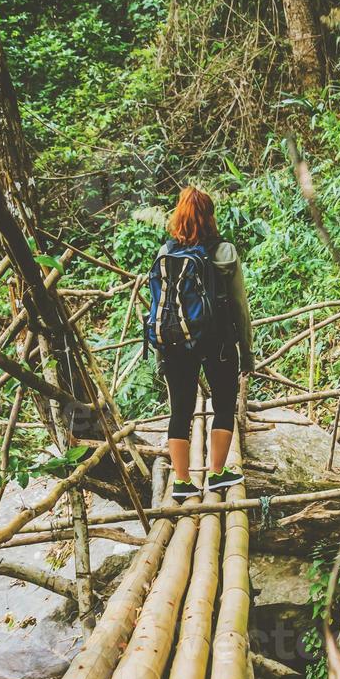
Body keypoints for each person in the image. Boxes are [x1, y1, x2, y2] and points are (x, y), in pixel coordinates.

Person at [144, 186, 253, 499]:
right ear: (210, 216)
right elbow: (239, 306)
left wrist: (160, 351)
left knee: (180, 411)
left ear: (178, 215)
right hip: (217, 342)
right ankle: (217, 474)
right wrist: (246, 352)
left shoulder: (165, 252)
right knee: (222, 404)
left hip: (174, 343)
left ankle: (182, 482)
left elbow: (158, 305)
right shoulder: (224, 251)